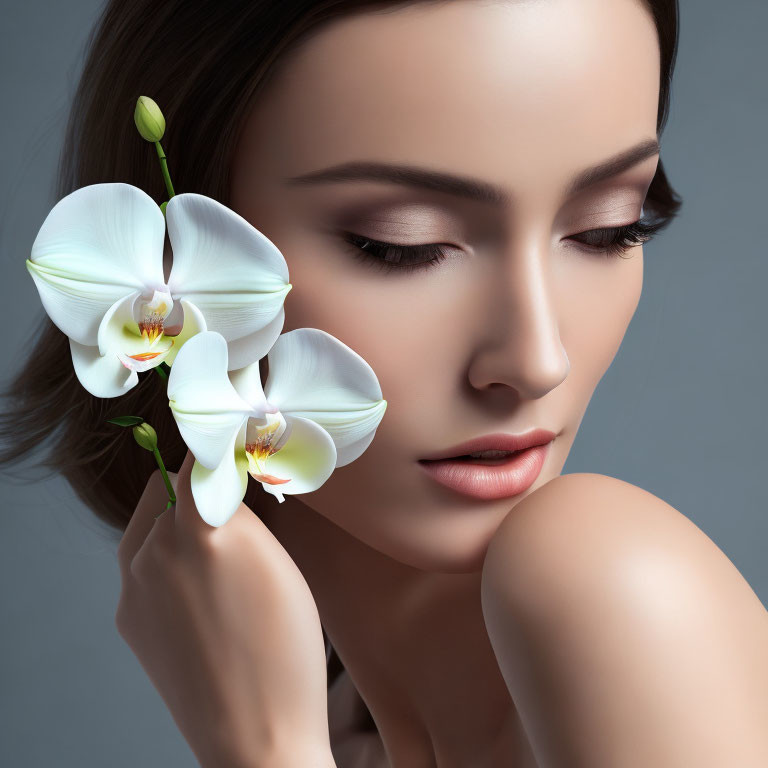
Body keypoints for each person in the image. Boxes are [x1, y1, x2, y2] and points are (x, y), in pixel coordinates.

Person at [3, 0, 768, 766]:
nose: (539, 360)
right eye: (403, 245)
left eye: (609, 228)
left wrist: (265, 751)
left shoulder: (617, 588)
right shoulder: (344, 726)